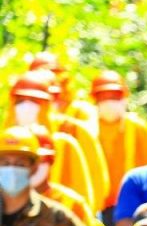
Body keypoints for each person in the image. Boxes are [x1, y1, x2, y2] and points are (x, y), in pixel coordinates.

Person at [91, 70, 147, 226]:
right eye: (104, 97)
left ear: (123, 98)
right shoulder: (89, 128)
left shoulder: (138, 127)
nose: (109, 102)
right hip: (102, 204)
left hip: (133, 203)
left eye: (114, 96)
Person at [6, 71, 98, 212]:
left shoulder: (66, 144)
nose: (26, 107)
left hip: (61, 219)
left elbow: (86, 193)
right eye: (20, 101)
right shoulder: (4, 144)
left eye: (34, 101)